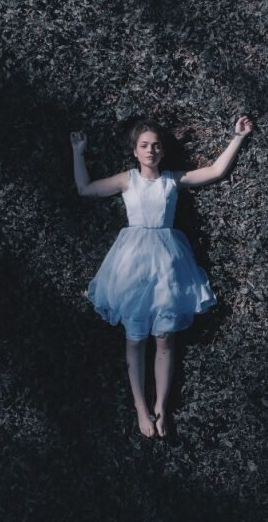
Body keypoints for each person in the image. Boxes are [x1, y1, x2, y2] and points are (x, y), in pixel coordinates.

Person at [71, 116, 255, 438]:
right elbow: (85, 190)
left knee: (165, 338)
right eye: (144, 145)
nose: (151, 150)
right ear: (135, 151)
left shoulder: (172, 179)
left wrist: (237, 138)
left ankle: (162, 409)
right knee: (135, 338)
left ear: (162, 151)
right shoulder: (128, 180)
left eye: (156, 145)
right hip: (131, 264)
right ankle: (141, 407)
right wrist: (78, 152)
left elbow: (215, 171)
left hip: (168, 264)